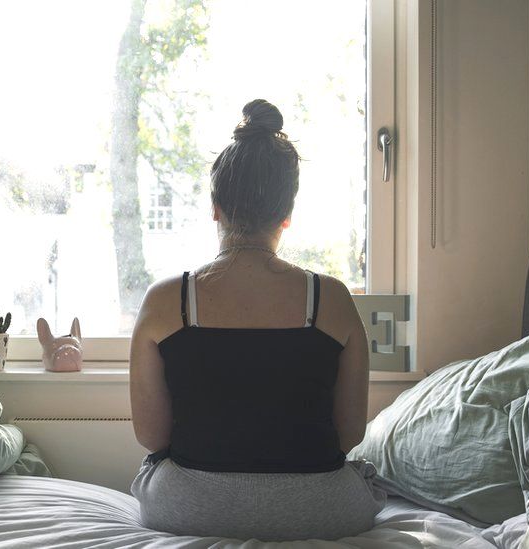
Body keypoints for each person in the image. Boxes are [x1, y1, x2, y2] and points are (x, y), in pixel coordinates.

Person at [129, 99, 385, 541]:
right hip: (322, 510)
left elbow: (153, 438)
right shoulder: (332, 298)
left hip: (190, 508)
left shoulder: (166, 301)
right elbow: (348, 434)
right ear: (287, 214)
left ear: (215, 207)